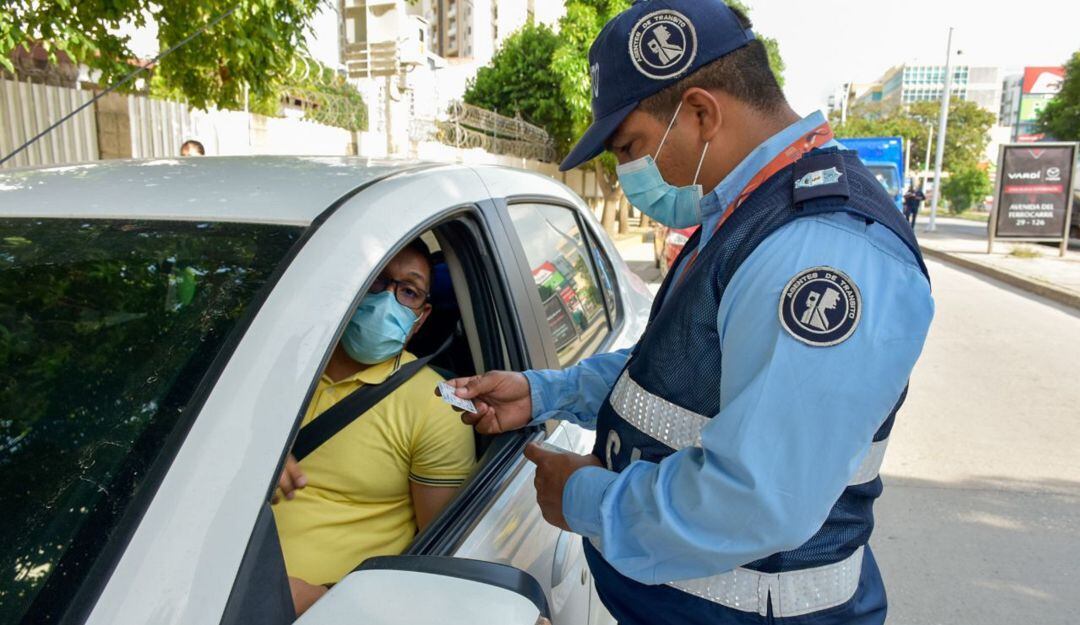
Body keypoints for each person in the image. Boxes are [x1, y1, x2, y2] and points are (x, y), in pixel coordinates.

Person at [445, 2, 934, 624]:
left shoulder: (819, 253)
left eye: (632, 147)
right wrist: (546, 394)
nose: (626, 174)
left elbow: (756, 500)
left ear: (701, 113)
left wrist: (583, 498)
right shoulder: (747, 213)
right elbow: (679, 370)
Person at [273, 240, 475, 616]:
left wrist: (321, 601)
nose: (388, 299)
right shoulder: (275, 372)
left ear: (421, 316)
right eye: (376, 282)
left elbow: (438, 560)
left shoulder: (436, 405)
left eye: (408, 291)